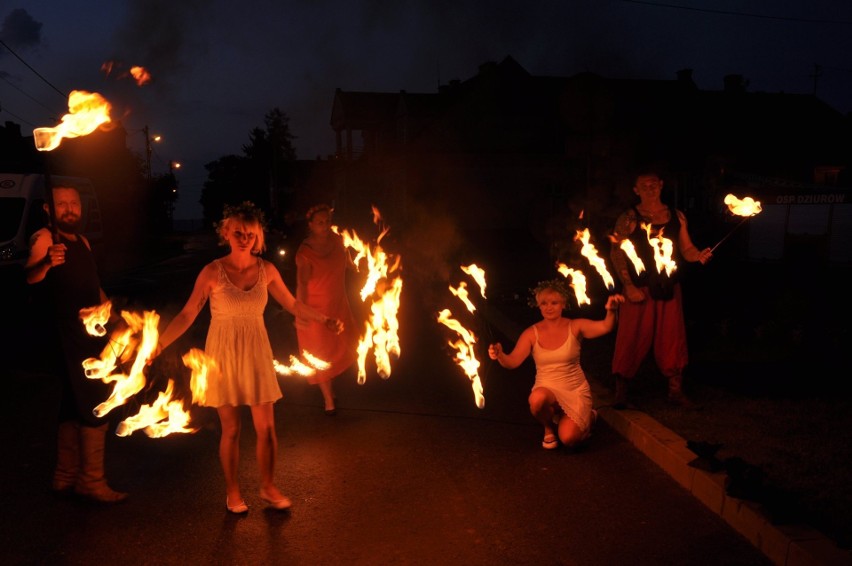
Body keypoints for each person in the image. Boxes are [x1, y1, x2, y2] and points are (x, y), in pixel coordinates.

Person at [153, 202, 343, 514]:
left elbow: (293, 304)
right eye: (238, 233)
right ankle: (232, 492)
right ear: (225, 233)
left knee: (266, 428)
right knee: (231, 430)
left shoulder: (266, 270)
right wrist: (158, 345)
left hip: (256, 350)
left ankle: (268, 487)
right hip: (223, 353)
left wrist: (324, 319)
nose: (244, 238)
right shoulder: (212, 272)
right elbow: (188, 313)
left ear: (257, 236)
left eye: (250, 234)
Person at [25, 183, 127, 503]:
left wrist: (114, 319)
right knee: (95, 400)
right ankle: (91, 481)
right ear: (47, 209)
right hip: (66, 335)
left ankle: (64, 476)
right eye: (62, 204)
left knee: (71, 405)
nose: (70, 209)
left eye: (74, 203)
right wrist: (46, 263)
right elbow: (29, 276)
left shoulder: (82, 241)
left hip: (90, 333)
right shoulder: (44, 238)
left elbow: (93, 289)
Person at [609, 170, 713, 409]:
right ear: (636, 190)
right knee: (631, 338)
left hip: (668, 287)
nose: (649, 188)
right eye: (643, 185)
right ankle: (621, 392)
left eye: (653, 184)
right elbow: (616, 252)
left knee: (672, 338)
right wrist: (628, 285)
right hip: (639, 289)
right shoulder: (629, 217)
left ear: (661, 185)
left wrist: (698, 256)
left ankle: (675, 392)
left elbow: (685, 248)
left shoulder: (676, 216)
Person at [488, 279, 624, 450]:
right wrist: (500, 355)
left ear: (563, 304)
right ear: (538, 305)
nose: (549, 307)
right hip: (547, 389)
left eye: (554, 302)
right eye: (544, 303)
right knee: (536, 399)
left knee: (569, 439)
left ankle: (588, 416)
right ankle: (548, 427)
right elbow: (512, 362)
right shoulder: (531, 333)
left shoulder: (575, 326)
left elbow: (605, 327)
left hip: (574, 391)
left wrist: (611, 311)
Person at [294, 204, 358, 416]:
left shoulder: (339, 240)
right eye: (320, 222)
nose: (325, 225)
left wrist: (369, 264)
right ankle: (328, 399)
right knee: (319, 352)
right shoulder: (305, 252)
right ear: (311, 225)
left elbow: (349, 263)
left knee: (344, 344)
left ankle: (341, 386)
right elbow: (302, 283)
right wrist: (301, 310)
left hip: (339, 303)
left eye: (328, 221)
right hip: (316, 310)